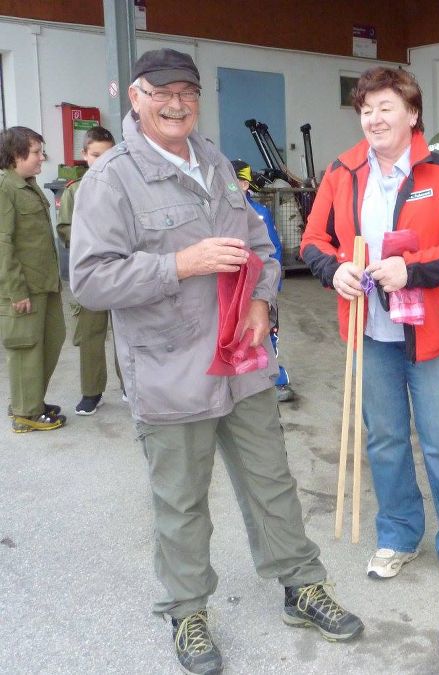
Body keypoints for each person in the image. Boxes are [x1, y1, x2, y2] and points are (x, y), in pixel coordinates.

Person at [69, 48, 363, 675]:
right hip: (169, 368)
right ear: (135, 97)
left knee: (272, 483)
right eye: (161, 92)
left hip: (242, 359)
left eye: (187, 91)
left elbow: (260, 243)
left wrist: (261, 300)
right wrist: (181, 264)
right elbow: (91, 282)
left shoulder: (217, 163)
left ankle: (299, 584)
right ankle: (186, 610)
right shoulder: (111, 179)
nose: (176, 103)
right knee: (181, 500)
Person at [301, 66, 439, 591]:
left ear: (412, 114)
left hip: (430, 333)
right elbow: (314, 239)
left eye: (386, 107)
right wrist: (333, 269)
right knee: (384, 439)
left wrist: (415, 270)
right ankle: (400, 534)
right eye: (366, 109)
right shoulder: (342, 171)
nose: (375, 118)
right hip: (368, 328)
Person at [0, 126, 66, 433]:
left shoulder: (28, 185)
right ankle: (26, 413)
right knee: (27, 349)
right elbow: (3, 244)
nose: (42, 158)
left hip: (44, 283)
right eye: (37, 152)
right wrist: (16, 291)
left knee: (50, 342)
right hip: (24, 289)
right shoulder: (5, 189)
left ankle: (31, 401)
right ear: (16, 155)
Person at [56, 125, 120, 415]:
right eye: (96, 155)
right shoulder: (75, 192)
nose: (102, 160)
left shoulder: (125, 186)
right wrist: (91, 242)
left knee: (129, 330)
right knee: (91, 333)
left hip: (123, 270)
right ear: (84, 155)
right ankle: (92, 392)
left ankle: (132, 386)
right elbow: (65, 228)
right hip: (92, 272)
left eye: (108, 154)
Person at [230, 159, 296, 403]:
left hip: (261, 289)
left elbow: (271, 251)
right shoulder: (220, 213)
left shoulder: (259, 213)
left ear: (245, 184)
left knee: (266, 334)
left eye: (232, 181)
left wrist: (271, 287)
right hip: (232, 290)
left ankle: (277, 379)